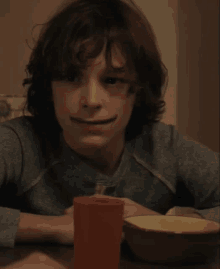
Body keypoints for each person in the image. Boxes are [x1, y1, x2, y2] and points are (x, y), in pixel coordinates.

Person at [0, 0, 219, 258]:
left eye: (112, 80)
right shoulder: (20, 141)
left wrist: (162, 222)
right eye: (71, 77)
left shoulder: (163, 146)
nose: (91, 101)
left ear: (136, 91)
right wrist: (56, 228)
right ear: (49, 87)